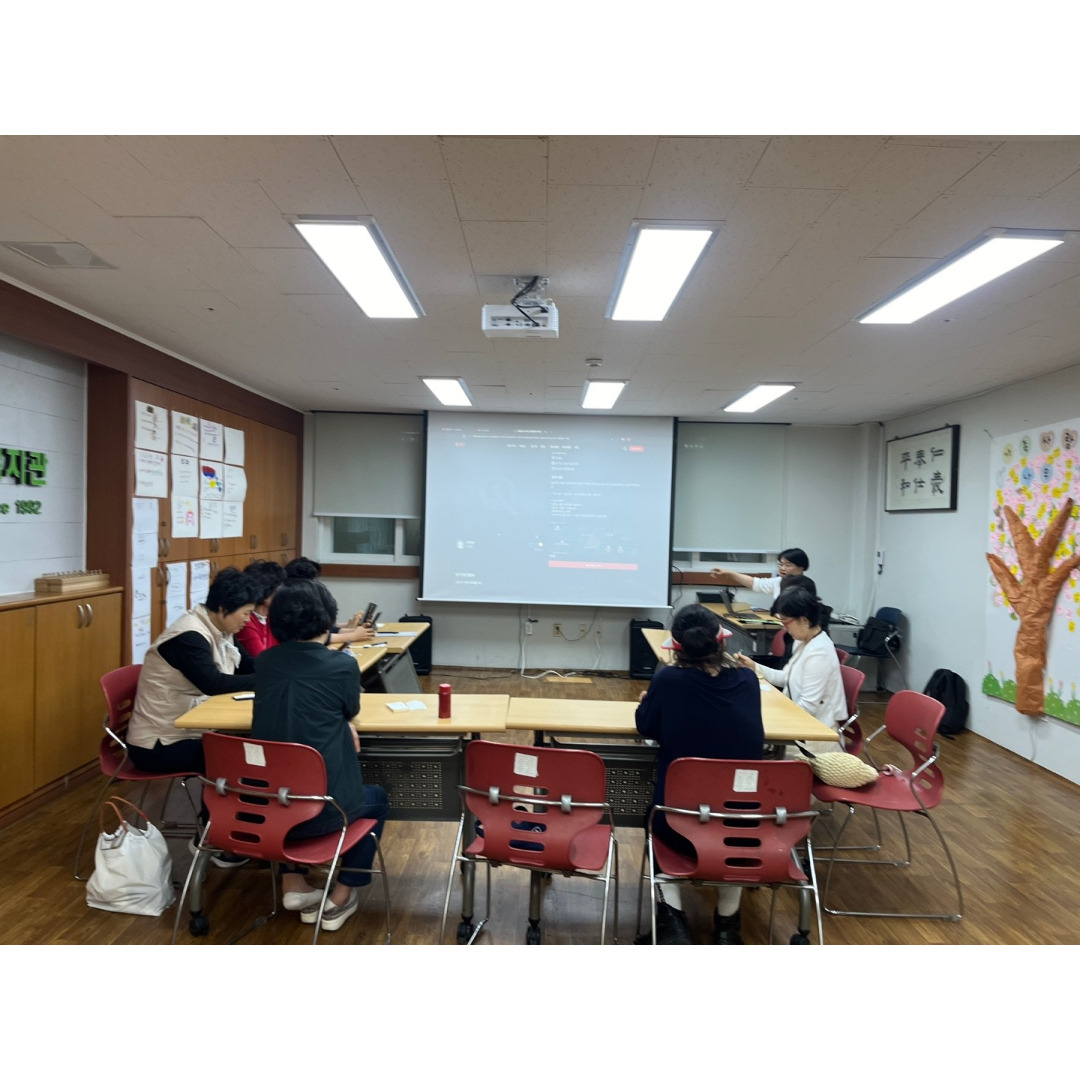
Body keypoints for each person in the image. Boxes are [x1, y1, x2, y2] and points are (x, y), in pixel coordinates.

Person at [251, 577, 390, 933]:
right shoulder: (342, 666)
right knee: (377, 798)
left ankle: (293, 883)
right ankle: (342, 895)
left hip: (268, 811)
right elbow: (349, 709)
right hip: (324, 814)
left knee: (286, 779)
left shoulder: (264, 662)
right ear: (327, 619)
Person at [635, 604, 765, 945]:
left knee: (654, 821)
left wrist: (649, 702)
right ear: (722, 642)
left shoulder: (668, 680)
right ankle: (727, 927)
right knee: (733, 828)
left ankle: (674, 925)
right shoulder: (748, 680)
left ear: (676, 647)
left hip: (677, 822)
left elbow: (646, 726)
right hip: (745, 824)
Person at [128, 566, 261, 776]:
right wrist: (265, 681)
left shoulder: (221, 628)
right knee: (247, 758)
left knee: (256, 750)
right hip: (160, 743)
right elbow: (213, 684)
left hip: (190, 731)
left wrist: (279, 671)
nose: (247, 619)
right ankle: (221, 800)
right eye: (245, 613)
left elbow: (248, 664)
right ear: (223, 608)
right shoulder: (189, 636)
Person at [736, 585, 847, 746]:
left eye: (786, 622)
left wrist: (775, 714)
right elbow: (786, 678)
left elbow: (807, 708)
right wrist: (754, 666)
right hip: (799, 724)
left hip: (814, 737)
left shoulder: (820, 653)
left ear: (804, 620)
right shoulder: (803, 641)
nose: (784, 628)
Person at [284, 555, 378, 645]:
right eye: (313, 580)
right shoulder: (291, 603)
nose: (316, 583)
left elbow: (322, 628)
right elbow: (310, 637)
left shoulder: (304, 597)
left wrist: (351, 628)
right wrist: (352, 635)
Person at [710, 547, 811, 605]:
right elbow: (754, 583)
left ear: (801, 568)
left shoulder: (805, 586)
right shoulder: (779, 581)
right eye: (781, 564)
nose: (783, 568)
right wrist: (728, 574)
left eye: (788, 565)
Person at [235, 559, 287, 657]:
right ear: (266, 591)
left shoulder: (271, 616)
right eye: (279, 590)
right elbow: (261, 658)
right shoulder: (246, 621)